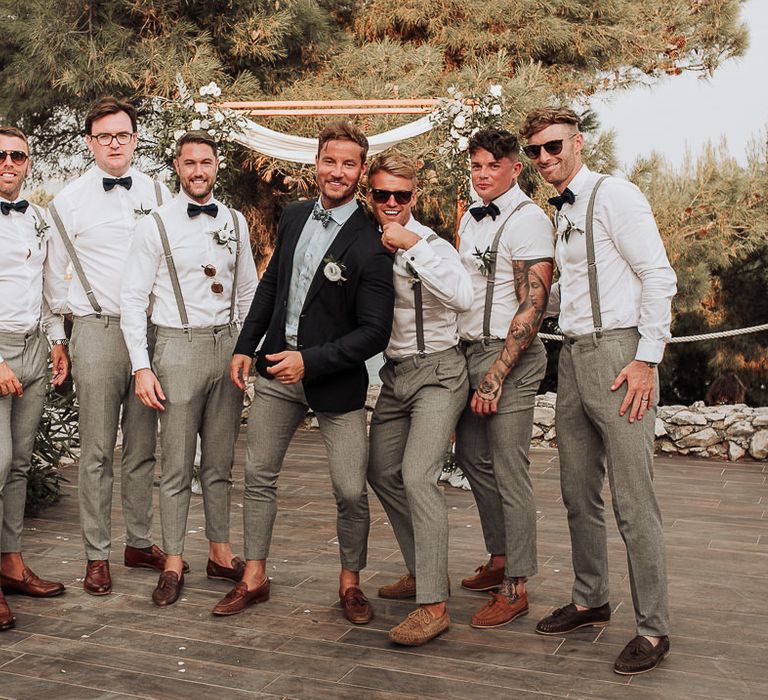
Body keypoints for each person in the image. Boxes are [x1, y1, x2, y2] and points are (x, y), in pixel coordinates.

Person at [213, 120, 394, 623]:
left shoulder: (372, 241)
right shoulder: (293, 217)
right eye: (330, 161)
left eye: (349, 164)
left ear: (361, 171)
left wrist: (309, 361)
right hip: (275, 372)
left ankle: (350, 582)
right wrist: (245, 346)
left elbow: (374, 333)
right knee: (258, 476)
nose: (338, 172)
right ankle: (254, 576)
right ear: (316, 164)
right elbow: (272, 284)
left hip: (334, 381)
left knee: (351, 490)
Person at [520, 106, 677, 675]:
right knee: (576, 488)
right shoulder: (559, 211)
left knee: (634, 502)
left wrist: (645, 359)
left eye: (553, 146)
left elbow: (659, 276)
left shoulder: (616, 195)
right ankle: (591, 599)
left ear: (578, 143)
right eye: (535, 151)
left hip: (619, 354)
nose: (545, 158)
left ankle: (654, 630)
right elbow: (576, 290)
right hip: (575, 353)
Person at [120, 130, 258, 606]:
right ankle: (175, 560)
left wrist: (247, 349)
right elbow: (133, 300)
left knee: (220, 462)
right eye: (189, 162)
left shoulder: (236, 222)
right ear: (177, 167)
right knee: (177, 464)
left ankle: (220, 553)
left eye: (207, 162)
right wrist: (142, 366)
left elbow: (247, 293)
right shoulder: (155, 224)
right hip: (176, 349)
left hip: (228, 350)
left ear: (218, 165)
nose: (198, 171)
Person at [46, 97, 173, 595]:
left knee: (143, 447)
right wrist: (60, 338)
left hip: (150, 332)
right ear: (89, 143)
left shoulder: (161, 193)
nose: (115, 143)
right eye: (104, 136)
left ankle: (139, 541)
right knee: (97, 450)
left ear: (135, 140)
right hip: (97, 331)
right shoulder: (68, 202)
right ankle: (95, 555)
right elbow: (54, 281)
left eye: (123, 135)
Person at [366, 152, 472, 645]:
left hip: (439, 371)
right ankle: (423, 567)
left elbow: (461, 296)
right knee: (381, 471)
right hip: (396, 376)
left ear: (414, 197)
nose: (391, 203)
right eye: (382, 194)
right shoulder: (364, 243)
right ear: (371, 194)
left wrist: (411, 246)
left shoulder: (433, 245)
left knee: (417, 475)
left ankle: (433, 605)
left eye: (401, 196)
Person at [454, 128, 554, 629]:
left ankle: (517, 586)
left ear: (516, 168)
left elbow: (532, 306)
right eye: (476, 166)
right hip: (469, 352)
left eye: (493, 165)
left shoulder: (529, 219)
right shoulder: (469, 220)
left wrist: (495, 376)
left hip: (509, 358)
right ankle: (499, 559)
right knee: (471, 456)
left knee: (510, 468)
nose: (484, 174)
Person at [0, 126, 69, 629]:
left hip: (32, 350)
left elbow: (49, 287)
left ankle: (11, 563)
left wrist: (58, 340)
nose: (8, 162)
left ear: (29, 162)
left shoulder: (40, 219)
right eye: (0, 155)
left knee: (20, 464)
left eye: (17, 155)